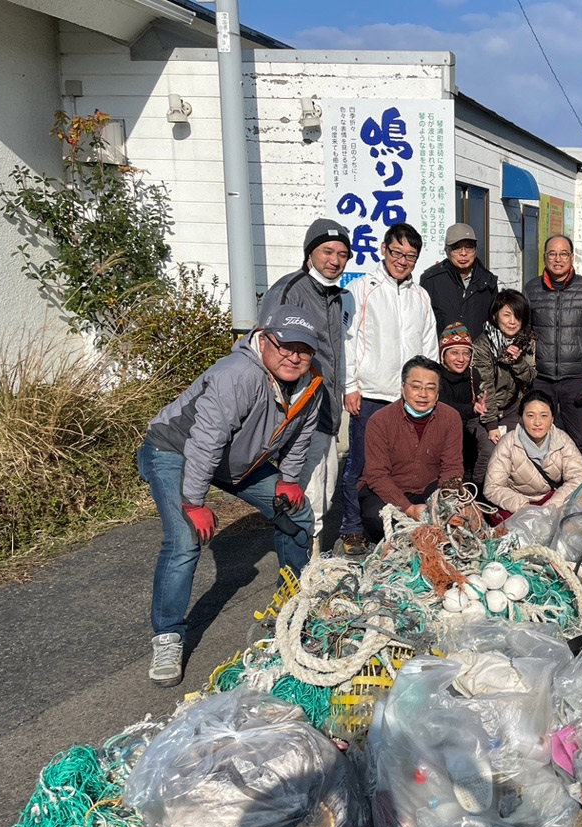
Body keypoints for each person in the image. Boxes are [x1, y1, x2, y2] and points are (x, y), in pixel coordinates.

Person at [137, 306, 323, 686]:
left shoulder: (312, 384)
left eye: (304, 350)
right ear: (264, 338)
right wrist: (194, 503)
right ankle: (168, 636)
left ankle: (291, 603)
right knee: (185, 539)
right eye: (285, 345)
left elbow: (302, 434)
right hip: (174, 450)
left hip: (238, 460)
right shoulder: (236, 374)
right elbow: (205, 441)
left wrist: (288, 480)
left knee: (299, 513)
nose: (294, 356)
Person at [340, 222, 437, 554]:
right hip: (370, 394)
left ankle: (398, 521)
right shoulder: (361, 289)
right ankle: (352, 528)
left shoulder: (420, 296)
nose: (403, 260)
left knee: (405, 463)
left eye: (410, 256)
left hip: (408, 398)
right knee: (362, 464)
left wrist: (428, 391)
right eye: (397, 252)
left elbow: (429, 348)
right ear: (383, 250)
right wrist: (350, 385)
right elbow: (348, 341)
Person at [261, 218, 351, 554]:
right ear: (310, 252)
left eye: (342, 254)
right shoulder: (290, 290)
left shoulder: (337, 297)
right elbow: (267, 350)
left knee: (325, 487)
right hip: (300, 408)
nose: (335, 260)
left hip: (328, 408)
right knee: (305, 488)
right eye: (327, 251)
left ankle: (314, 556)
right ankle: (302, 567)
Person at [359, 356, 464, 541]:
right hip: (390, 490)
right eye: (416, 387)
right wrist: (408, 509)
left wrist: (446, 502)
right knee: (376, 519)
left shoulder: (451, 418)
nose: (423, 394)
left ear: (438, 393)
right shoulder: (379, 421)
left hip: (429, 487)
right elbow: (377, 475)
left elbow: (452, 467)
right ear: (402, 388)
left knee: (458, 515)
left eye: (430, 388)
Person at [523, 235, 582, 448]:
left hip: (577, 377)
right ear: (544, 257)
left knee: (579, 440)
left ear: (571, 257)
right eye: (552, 254)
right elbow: (523, 334)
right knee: (537, 437)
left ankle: (579, 481)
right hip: (540, 377)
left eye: (563, 254)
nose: (557, 259)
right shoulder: (531, 290)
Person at [484, 390, 582, 516]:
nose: (537, 422)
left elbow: (577, 478)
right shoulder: (508, 443)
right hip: (516, 505)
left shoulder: (562, 440)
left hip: (553, 501)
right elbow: (493, 487)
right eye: (530, 415)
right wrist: (524, 506)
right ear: (521, 417)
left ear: (552, 419)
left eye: (544, 416)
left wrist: (551, 506)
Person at [471, 288, 536, 488]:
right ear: (494, 315)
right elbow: (484, 385)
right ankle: (478, 494)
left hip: (511, 409)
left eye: (518, 316)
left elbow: (530, 378)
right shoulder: (483, 344)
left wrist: (516, 362)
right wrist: (491, 426)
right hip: (483, 410)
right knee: (491, 451)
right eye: (506, 315)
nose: (512, 321)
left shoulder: (526, 341)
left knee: (523, 449)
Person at [419, 223, 499, 338]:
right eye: (456, 248)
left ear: (475, 250)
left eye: (469, 247)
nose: (463, 253)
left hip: (478, 353)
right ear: (447, 251)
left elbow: (495, 324)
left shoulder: (488, 281)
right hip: (442, 353)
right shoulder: (431, 279)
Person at [436, 322, 484, 485]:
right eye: (454, 353)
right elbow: (442, 405)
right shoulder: (435, 377)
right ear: (443, 354)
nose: (461, 359)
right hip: (441, 436)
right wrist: (472, 409)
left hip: (467, 436)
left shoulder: (473, 375)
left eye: (466, 353)